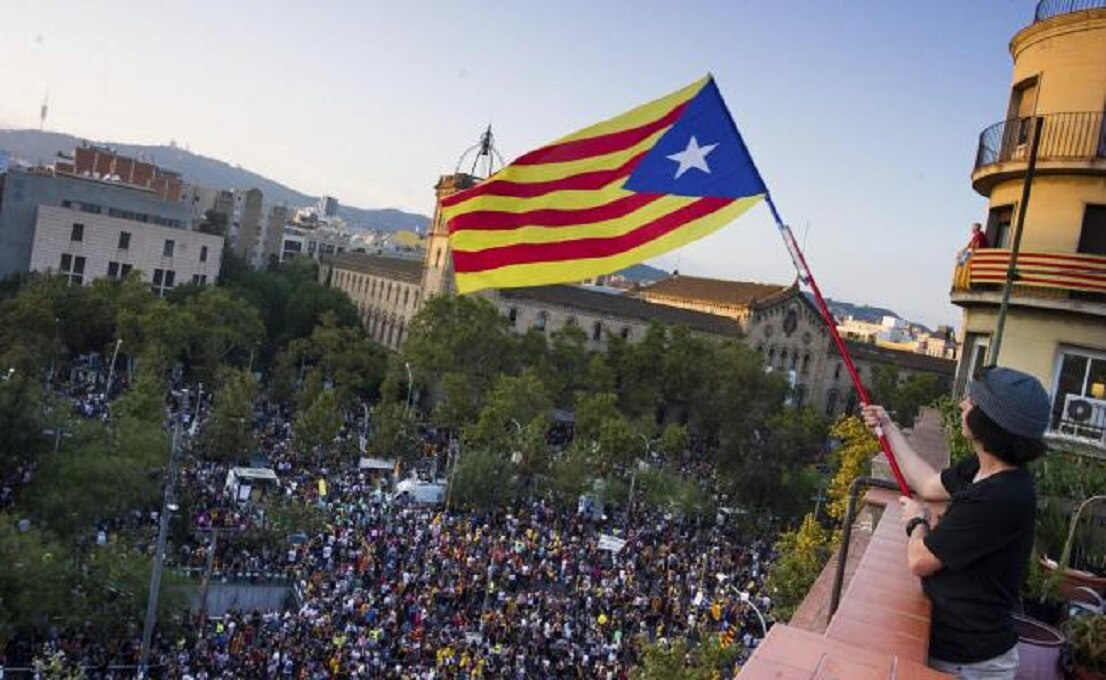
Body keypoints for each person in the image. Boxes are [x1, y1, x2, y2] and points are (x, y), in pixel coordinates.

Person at [861, 366, 1050, 680]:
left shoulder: (1000, 496)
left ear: (988, 421)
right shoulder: (983, 468)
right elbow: (928, 485)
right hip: (959, 654)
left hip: (970, 665)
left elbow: (920, 560)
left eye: (972, 401)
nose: (962, 404)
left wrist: (916, 523)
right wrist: (889, 427)